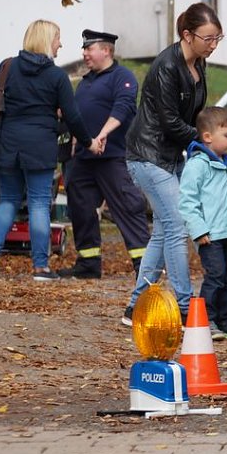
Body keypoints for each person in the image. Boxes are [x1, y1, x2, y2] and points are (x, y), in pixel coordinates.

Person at [122, 2, 221, 326]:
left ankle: (135, 306)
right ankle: (184, 306)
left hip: (172, 154)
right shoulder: (166, 65)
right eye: (208, 38)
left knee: (164, 231)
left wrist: (211, 135)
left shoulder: (199, 64)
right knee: (178, 225)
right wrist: (207, 141)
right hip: (148, 155)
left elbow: (194, 115)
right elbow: (170, 122)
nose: (213, 45)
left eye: (217, 38)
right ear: (188, 35)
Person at [0, 20, 102, 281]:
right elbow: (73, 116)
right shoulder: (56, 76)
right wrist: (89, 141)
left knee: (8, 200)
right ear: (47, 41)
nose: (61, 44)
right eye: (58, 39)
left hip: (8, 145)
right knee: (38, 203)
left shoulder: (7, 67)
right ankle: (40, 267)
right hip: (40, 146)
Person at [58, 30, 149, 279]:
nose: (84, 54)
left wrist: (101, 135)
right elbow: (78, 115)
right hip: (83, 158)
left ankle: (145, 265)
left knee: (128, 207)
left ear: (106, 51)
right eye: (84, 49)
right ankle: (88, 264)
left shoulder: (122, 77)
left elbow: (124, 107)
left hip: (113, 156)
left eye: (89, 49)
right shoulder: (86, 82)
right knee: (81, 209)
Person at [179, 107, 227, 340]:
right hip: (210, 236)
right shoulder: (197, 165)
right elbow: (187, 202)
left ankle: (224, 319)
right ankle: (206, 320)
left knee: (226, 278)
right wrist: (198, 230)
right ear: (208, 137)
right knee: (215, 276)